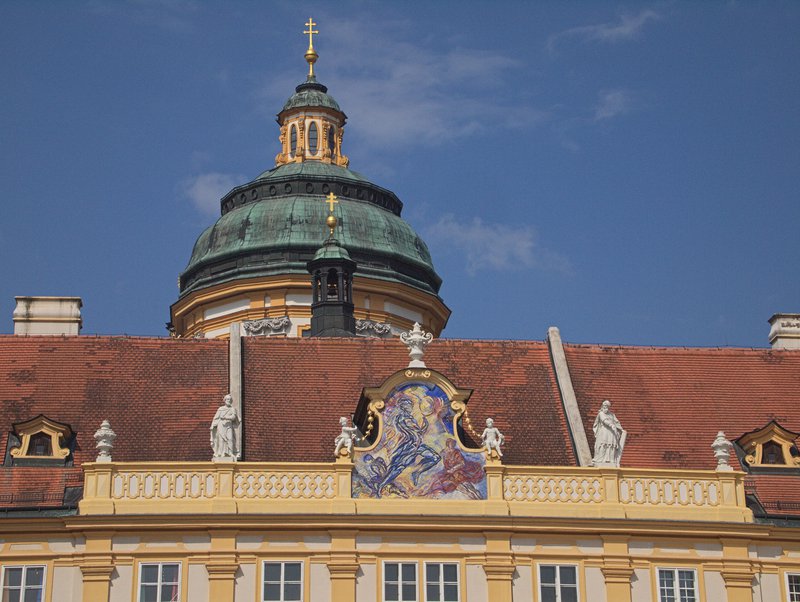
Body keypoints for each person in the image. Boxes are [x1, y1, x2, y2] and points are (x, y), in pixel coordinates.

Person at [591, 400, 625, 467]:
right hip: (604, 431)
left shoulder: (612, 414)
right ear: (602, 406)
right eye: (604, 406)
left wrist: (620, 429)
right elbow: (604, 420)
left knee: (611, 445)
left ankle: (610, 459)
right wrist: (611, 425)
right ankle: (600, 459)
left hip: (611, 432)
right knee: (603, 444)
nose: (606, 408)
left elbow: (616, 422)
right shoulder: (601, 413)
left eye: (607, 407)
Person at [210, 394, 240, 459]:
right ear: (225, 400)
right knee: (221, 439)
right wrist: (213, 425)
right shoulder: (220, 409)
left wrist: (226, 417)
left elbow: (234, 417)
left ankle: (230, 452)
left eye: (230, 399)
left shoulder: (233, 409)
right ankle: (221, 453)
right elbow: (216, 418)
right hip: (221, 426)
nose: (229, 400)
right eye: (227, 399)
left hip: (229, 426)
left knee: (230, 439)